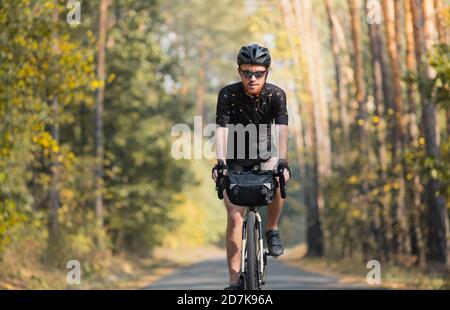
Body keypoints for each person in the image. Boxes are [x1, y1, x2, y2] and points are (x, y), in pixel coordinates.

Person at [211, 44, 291, 290]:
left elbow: (282, 131)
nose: (252, 78)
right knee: (235, 217)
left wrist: (283, 162)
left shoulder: (276, 95)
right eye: (247, 73)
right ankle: (235, 281)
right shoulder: (227, 94)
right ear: (239, 72)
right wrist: (221, 163)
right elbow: (222, 130)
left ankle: (272, 228)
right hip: (235, 158)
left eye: (257, 72)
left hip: (266, 155)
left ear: (267, 72)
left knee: (280, 176)